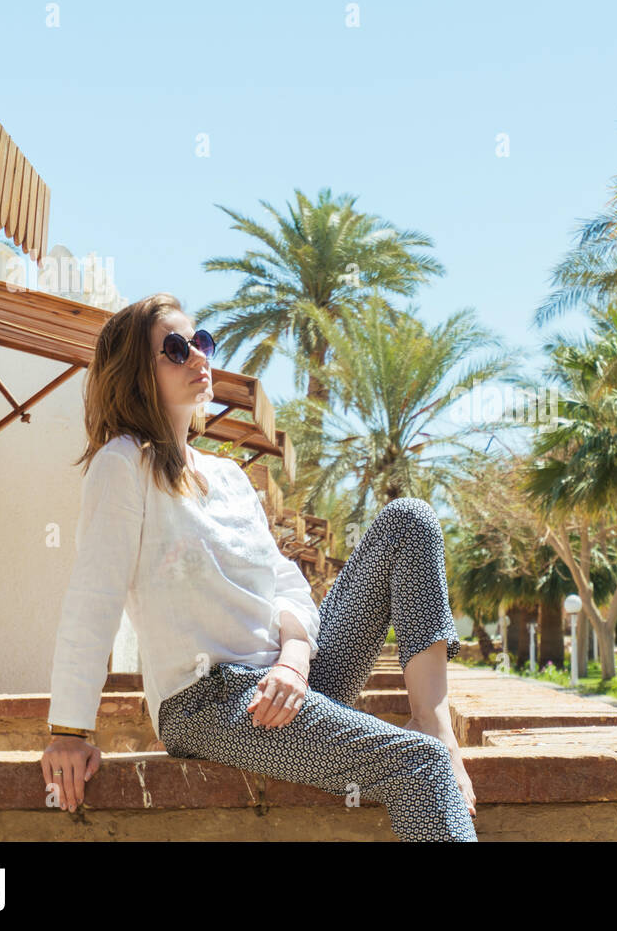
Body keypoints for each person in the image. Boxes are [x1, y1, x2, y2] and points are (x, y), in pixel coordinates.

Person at [41, 292, 477, 841]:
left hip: (293, 678)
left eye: (201, 342)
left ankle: (432, 720)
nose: (199, 357)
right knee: (418, 765)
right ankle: (428, 750)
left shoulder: (228, 477)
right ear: (134, 373)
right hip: (210, 702)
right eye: (175, 349)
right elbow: (93, 599)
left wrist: (293, 662)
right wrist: (70, 729)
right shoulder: (123, 464)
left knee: (408, 520)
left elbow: (287, 585)